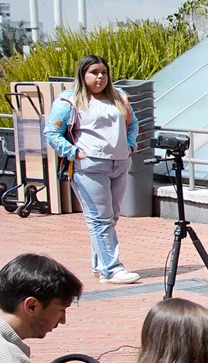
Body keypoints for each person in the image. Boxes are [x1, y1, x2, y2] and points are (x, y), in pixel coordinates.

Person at [43, 55, 141, 285]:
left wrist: (130, 144)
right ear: (82, 75)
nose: (100, 77)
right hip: (89, 167)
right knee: (100, 219)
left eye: (104, 72)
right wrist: (73, 152)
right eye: (94, 72)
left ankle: (101, 265)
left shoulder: (119, 98)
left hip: (119, 163)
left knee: (111, 216)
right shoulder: (69, 101)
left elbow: (133, 122)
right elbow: (52, 132)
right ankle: (112, 268)